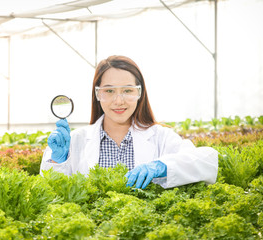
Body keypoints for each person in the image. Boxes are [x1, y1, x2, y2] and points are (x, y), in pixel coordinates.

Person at [40, 55, 218, 189]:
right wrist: (58, 162)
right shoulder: (75, 141)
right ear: (97, 94)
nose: (119, 101)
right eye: (109, 91)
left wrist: (161, 166)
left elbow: (206, 161)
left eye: (127, 90)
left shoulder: (160, 137)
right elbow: (52, 192)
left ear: (139, 93)